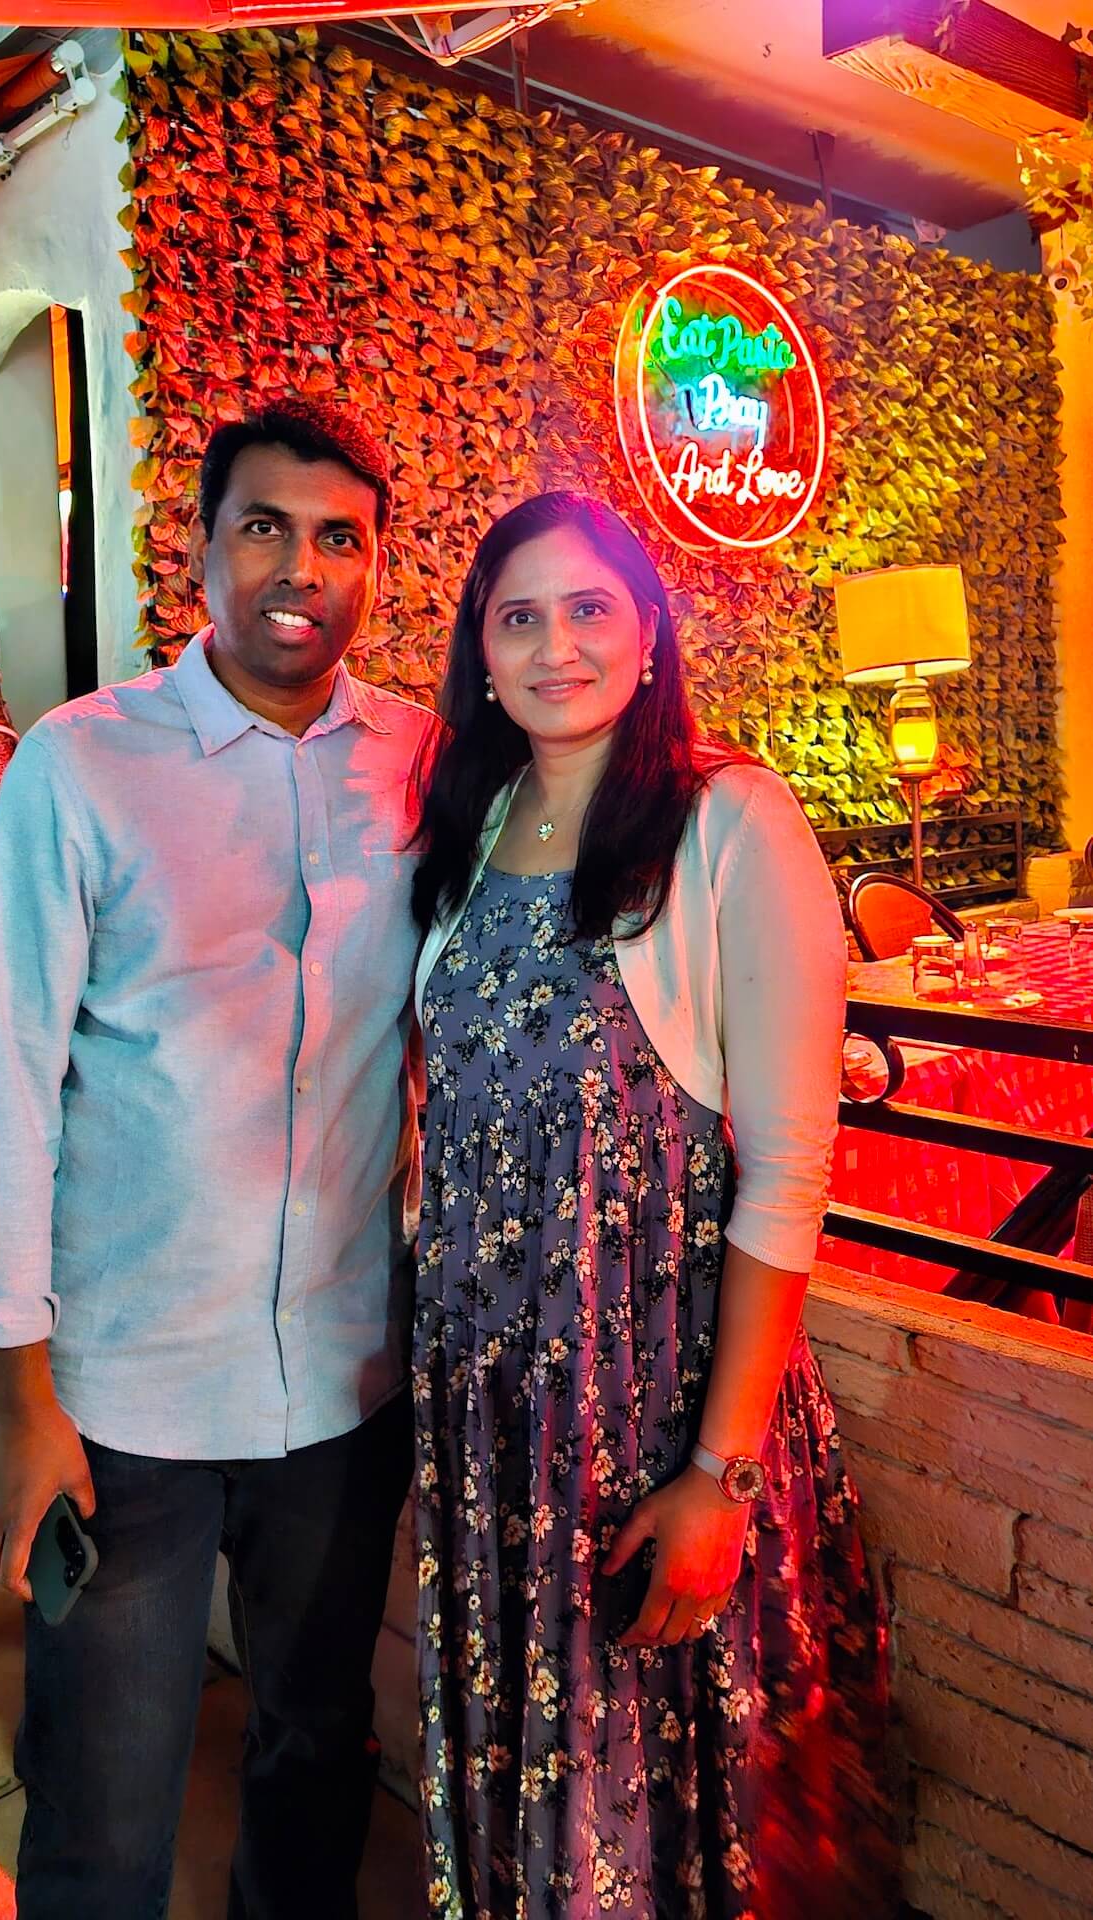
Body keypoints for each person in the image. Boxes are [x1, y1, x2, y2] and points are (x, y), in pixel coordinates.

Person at [0, 397, 439, 1919]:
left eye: (339, 538)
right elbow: (8, 1086)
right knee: (100, 1813)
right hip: (125, 1398)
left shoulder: (420, 761)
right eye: (265, 527)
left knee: (315, 1760)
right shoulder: (84, 765)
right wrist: (17, 1398)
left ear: (376, 566)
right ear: (202, 546)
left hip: (343, 1388)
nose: (301, 567)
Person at [409, 493, 894, 1918]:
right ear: (480, 649)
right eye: (518, 617)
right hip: (493, 1419)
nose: (554, 647)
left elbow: (786, 1172)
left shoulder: (728, 817)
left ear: (647, 630)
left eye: (589, 609)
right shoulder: (470, 820)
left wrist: (719, 1476)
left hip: (648, 1406)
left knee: (664, 1799)